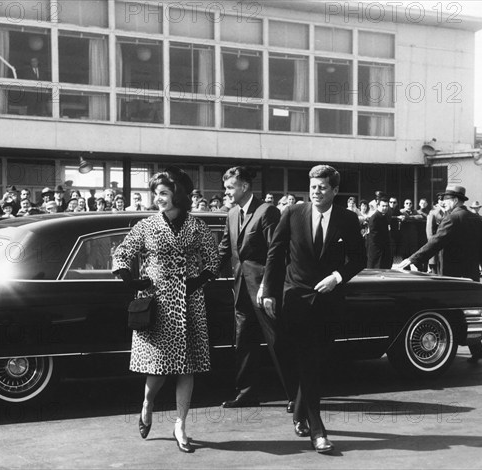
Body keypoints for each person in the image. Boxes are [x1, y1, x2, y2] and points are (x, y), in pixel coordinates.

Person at [259, 164, 366, 454]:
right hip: (296, 298)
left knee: (318, 362)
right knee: (308, 360)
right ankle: (317, 430)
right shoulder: (293, 213)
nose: (316, 192)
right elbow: (275, 252)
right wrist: (268, 290)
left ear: (335, 190)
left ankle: (298, 413)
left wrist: (337, 277)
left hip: (329, 301)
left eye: (322, 187)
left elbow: (359, 258)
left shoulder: (347, 218)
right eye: (313, 187)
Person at [112, 166, 219, 453]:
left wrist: (199, 280)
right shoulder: (146, 225)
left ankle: (180, 424)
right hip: (157, 302)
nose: (158, 198)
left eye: (164, 193)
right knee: (158, 367)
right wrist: (130, 277)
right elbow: (123, 251)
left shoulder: (197, 226)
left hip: (189, 303)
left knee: (187, 367)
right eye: (155, 193)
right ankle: (147, 404)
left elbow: (213, 259)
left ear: (178, 194)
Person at [217, 166, 294, 412]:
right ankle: (247, 393)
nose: (226, 192)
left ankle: (295, 395)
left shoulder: (267, 211)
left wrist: (268, 288)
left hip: (263, 291)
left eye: (230, 187)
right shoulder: (231, 214)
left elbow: (276, 252)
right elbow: (225, 250)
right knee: (244, 342)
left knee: (277, 342)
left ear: (245, 186)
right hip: (241, 290)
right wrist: (204, 274)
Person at [397, 185, 482, 362]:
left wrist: (412, 259)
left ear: (455, 201)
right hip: (470, 273)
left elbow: (435, 242)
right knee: (470, 312)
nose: (442, 202)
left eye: (446, 199)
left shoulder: (452, 218)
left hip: (452, 274)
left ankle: (450, 351)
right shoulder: (475, 218)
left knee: (452, 312)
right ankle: (477, 349)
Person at [367, 196, 392, 268]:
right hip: (377, 250)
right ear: (378, 206)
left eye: (386, 206)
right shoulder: (375, 218)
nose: (385, 208)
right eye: (383, 206)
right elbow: (374, 237)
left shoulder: (385, 216)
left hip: (384, 248)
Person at [426, 193, 445, 274]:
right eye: (440, 200)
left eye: (444, 200)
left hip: (446, 244)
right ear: (438, 201)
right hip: (436, 242)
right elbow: (429, 230)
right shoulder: (433, 212)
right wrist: (432, 243)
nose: (442, 202)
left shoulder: (450, 211)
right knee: (435, 267)